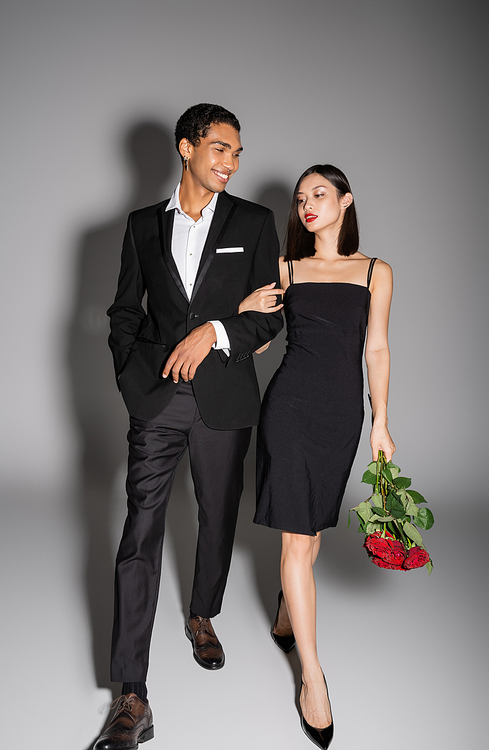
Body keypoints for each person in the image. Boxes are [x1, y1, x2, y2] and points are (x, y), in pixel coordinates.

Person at [95, 103, 283, 750]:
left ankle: (201, 612)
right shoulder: (141, 226)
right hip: (157, 400)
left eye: (237, 153)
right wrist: (132, 379)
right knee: (139, 532)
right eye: (219, 149)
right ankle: (132, 694)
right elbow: (124, 310)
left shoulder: (254, 223)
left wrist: (216, 331)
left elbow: (270, 317)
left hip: (226, 400)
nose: (230, 163)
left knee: (217, 517)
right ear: (186, 147)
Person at [240, 164, 395, 749]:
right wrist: (249, 305)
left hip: (341, 417)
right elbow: (258, 338)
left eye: (319, 194)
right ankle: (312, 678)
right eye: (301, 198)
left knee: (314, 533)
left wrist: (382, 421)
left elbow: (376, 348)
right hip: (290, 410)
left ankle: (284, 616)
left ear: (345, 201)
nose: (307, 205)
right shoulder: (286, 268)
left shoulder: (376, 272)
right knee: (297, 541)